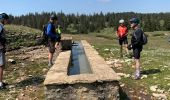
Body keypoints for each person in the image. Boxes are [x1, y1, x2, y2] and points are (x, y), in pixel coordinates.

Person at [0, 13, 9, 89]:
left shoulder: (1, 26)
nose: (7, 21)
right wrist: (1, 46)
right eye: (6, 19)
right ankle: (0, 84)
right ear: (3, 19)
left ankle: (1, 82)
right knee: (1, 65)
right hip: (0, 49)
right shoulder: (0, 26)